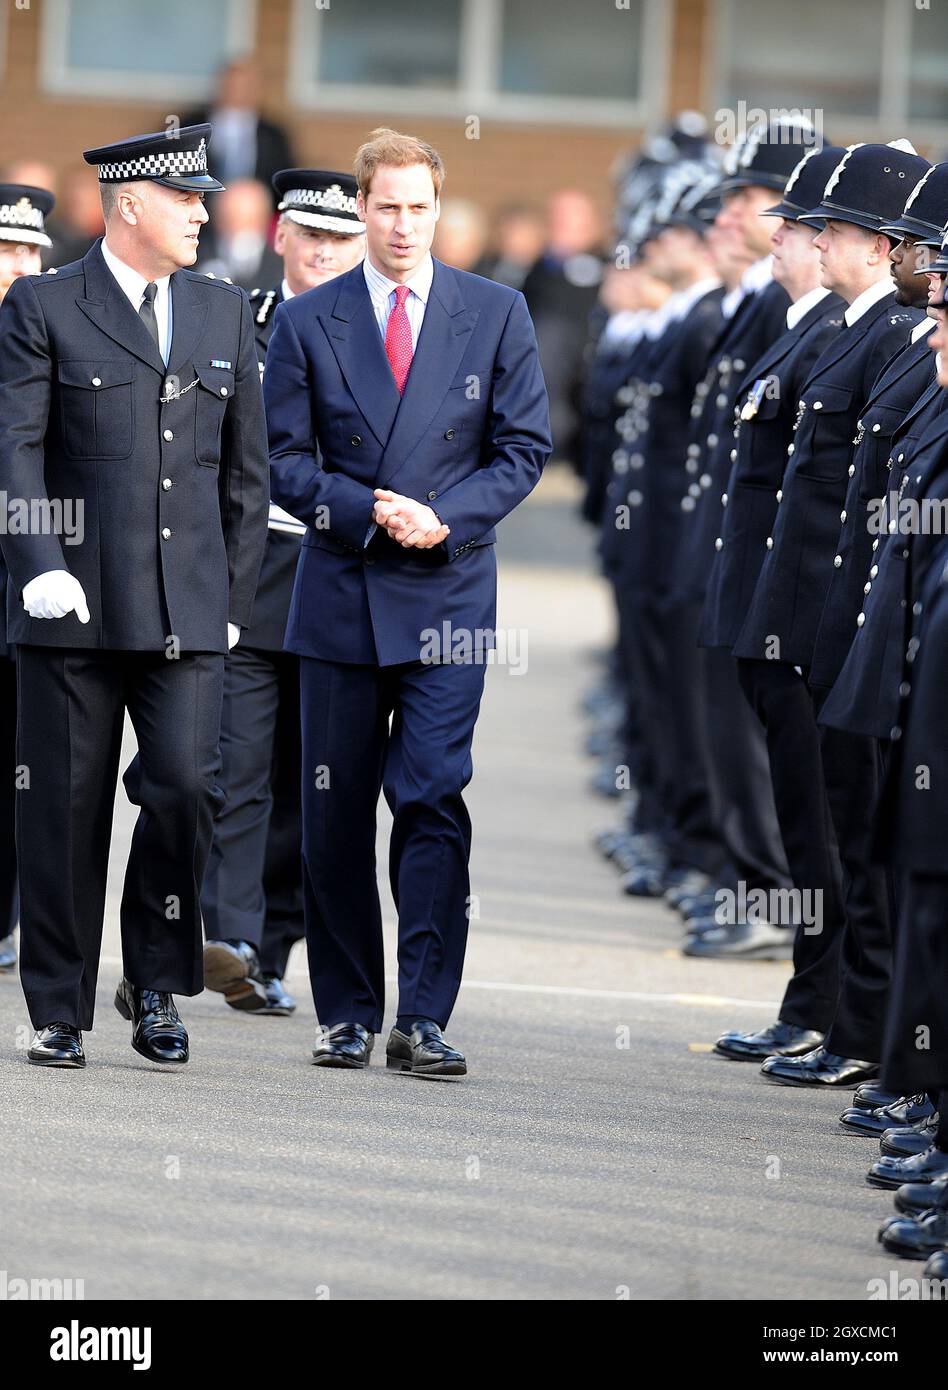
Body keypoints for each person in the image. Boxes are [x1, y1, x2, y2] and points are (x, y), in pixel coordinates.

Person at [264, 127, 551, 1075]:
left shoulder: (496, 310)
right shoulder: (311, 320)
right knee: (335, 811)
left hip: (447, 599)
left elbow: (523, 448)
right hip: (341, 594)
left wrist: (446, 516)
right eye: (384, 206)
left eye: (418, 207)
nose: (401, 224)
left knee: (430, 796)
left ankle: (424, 1015)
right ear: (360, 208)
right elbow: (280, 460)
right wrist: (361, 509)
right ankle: (347, 1010)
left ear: (438, 208)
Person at [0, 125, 270, 1068]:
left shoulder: (219, 310)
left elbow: (246, 471)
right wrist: (39, 564)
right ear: (128, 205)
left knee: (187, 789)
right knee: (64, 809)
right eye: (186, 198)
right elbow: (16, 446)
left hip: (185, 609)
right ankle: (59, 1006)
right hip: (69, 606)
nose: (205, 212)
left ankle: (155, 981)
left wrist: (232, 590)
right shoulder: (45, 304)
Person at [732, 140, 930, 1088]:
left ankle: (849, 1024)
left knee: (848, 842)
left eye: (837, 230)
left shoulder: (894, 335)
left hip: (842, 628)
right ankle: (822, 1010)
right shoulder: (858, 330)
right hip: (805, 622)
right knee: (820, 835)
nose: (820, 244)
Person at [202, 169, 366, 1016]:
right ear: (281, 238)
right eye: (312, 235)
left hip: (342, 575)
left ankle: (273, 948)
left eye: (342, 238)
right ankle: (229, 935)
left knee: (316, 780)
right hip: (253, 568)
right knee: (233, 764)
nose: (326, 251)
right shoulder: (237, 318)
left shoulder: (388, 338)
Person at [0, 183, 55, 977]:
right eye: (6, 249)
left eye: (31, 250)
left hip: (24, 574)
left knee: (19, 752)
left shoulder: (49, 328)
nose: (21, 265)